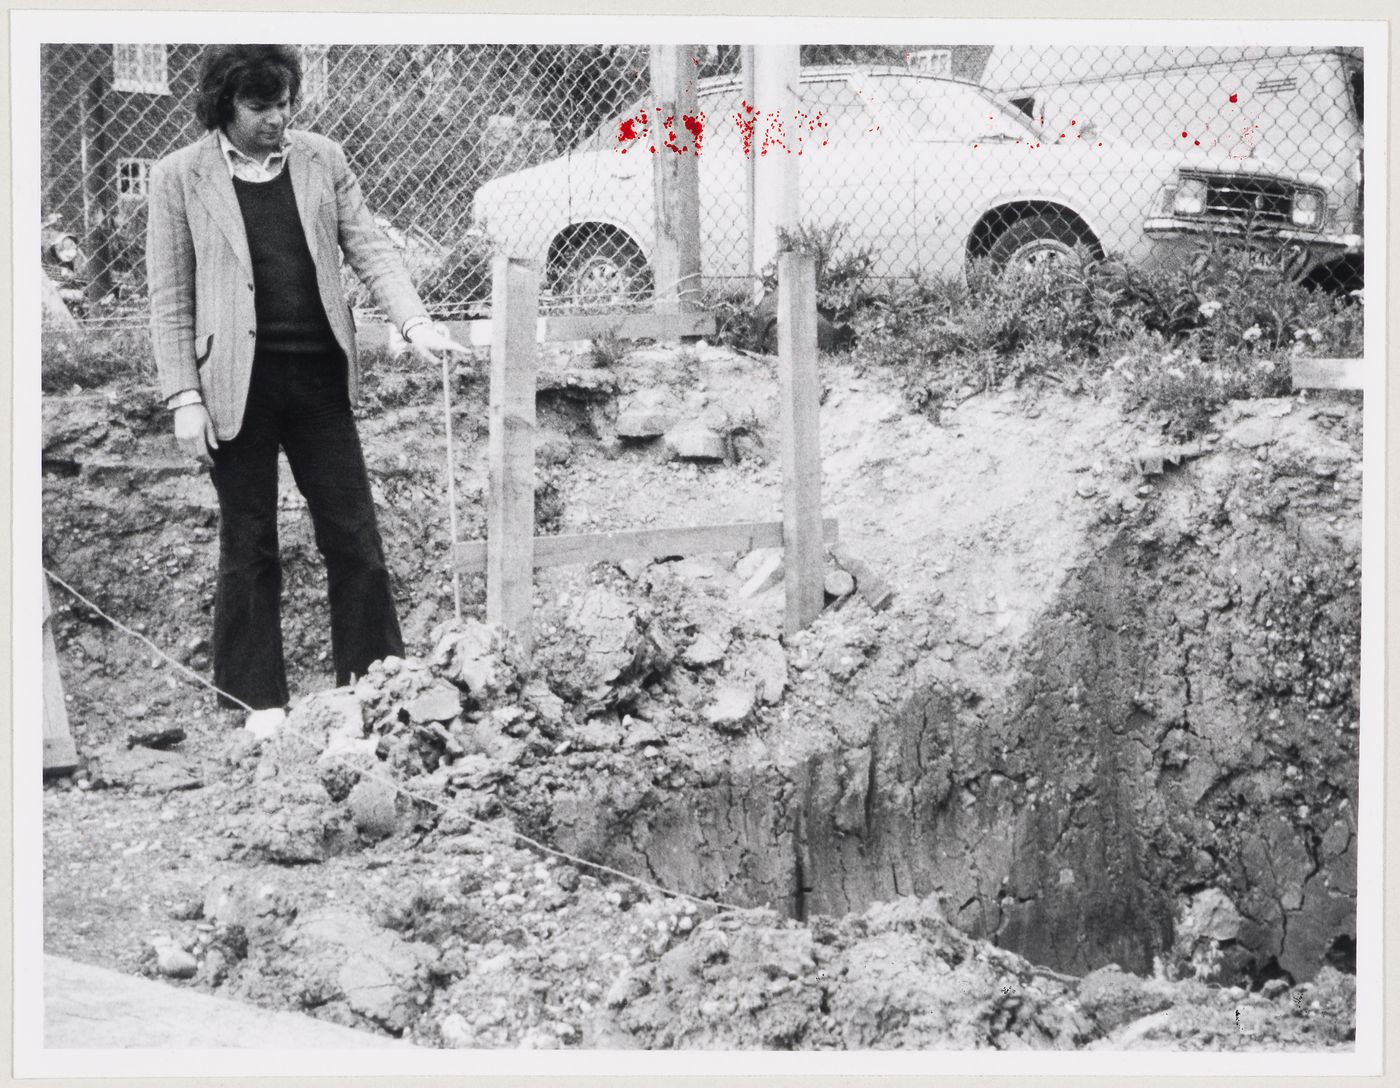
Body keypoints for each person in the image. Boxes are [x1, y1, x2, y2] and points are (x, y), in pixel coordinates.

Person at [146, 44, 465, 737]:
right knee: (250, 543)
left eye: (285, 103)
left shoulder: (324, 158)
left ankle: (374, 691)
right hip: (235, 386)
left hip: (319, 378)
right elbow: (170, 299)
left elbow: (371, 247)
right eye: (260, 107)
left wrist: (415, 323)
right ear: (223, 106)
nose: (278, 119)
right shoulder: (178, 178)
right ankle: (255, 707)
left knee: (354, 537)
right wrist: (183, 398)